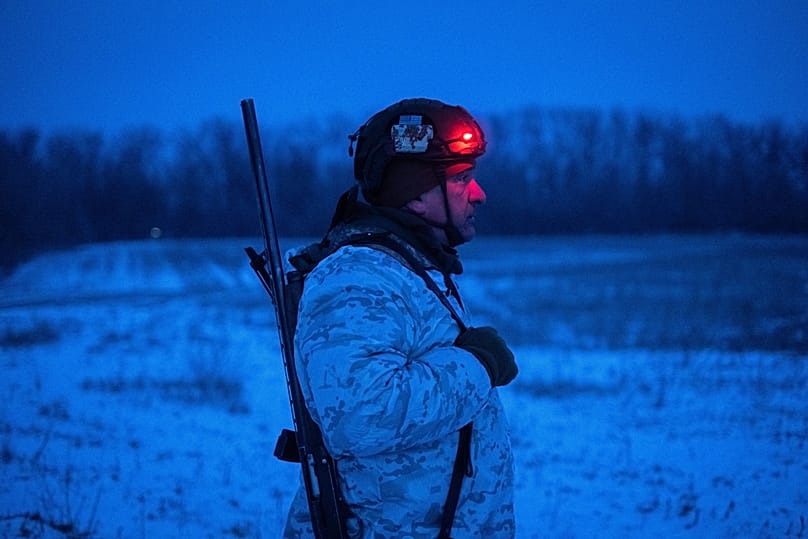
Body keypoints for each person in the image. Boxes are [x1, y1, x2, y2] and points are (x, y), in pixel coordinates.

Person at [283, 98, 518, 538]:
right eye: (462, 178)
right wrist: (477, 365)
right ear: (412, 194)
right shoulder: (356, 277)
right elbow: (361, 416)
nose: (479, 194)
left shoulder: (405, 268)